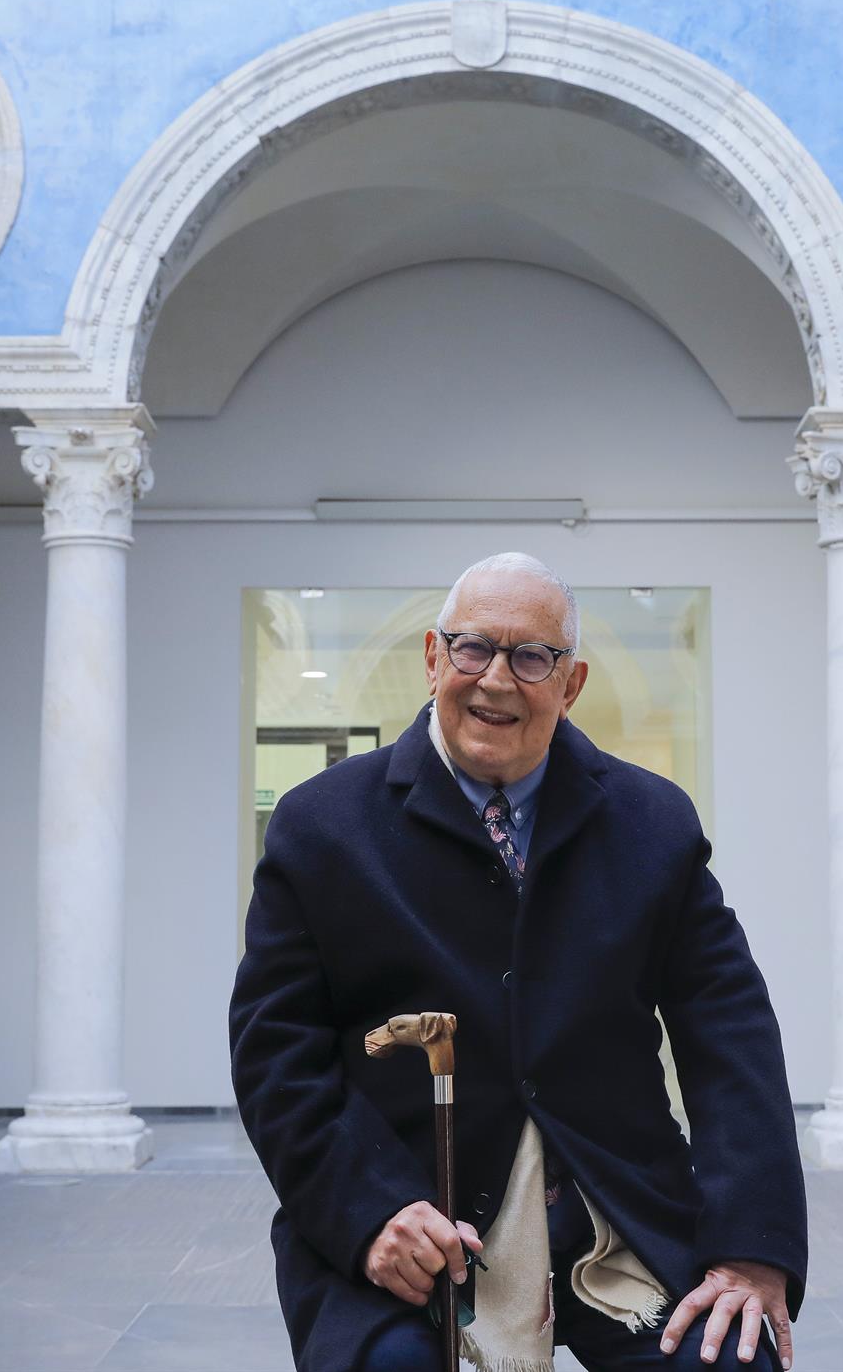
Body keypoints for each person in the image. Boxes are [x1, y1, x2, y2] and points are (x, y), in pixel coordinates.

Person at [230, 553, 806, 1371]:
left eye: (531, 657)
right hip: (413, 1211)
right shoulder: (322, 826)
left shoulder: (653, 823)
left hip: (615, 1209)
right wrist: (371, 1213)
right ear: (434, 658)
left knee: (728, 1358)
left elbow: (732, 1034)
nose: (496, 678)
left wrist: (754, 1246)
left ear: (569, 686)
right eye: (472, 649)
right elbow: (275, 1053)